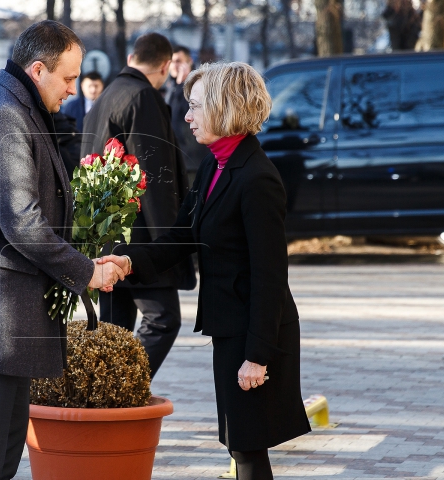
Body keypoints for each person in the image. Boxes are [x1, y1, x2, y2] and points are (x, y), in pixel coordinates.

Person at [0, 21, 127, 480]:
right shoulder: (3, 117)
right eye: (68, 78)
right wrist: (86, 272)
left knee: (2, 450)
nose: (73, 89)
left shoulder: (17, 107)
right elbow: (23, 223)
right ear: (38, 70)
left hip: (5, 317)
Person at [100, 62, 311, 479]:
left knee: (247, 447)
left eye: (195, 107)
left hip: (253, 333)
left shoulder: (257, 178)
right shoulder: (216, 165)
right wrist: (128, 261)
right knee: (240, 443)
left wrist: (257, 356)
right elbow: (182, 235)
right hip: (230, 326)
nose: (187, 115)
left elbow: (271, 275)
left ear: (224, 108)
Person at [81, 33, 196, 379]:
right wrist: (169, 251)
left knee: (114, 331)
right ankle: (122, 388)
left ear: (132, 57)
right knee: (163, 320)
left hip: (105, 235)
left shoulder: (104, 98)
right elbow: (156, 177)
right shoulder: (144, 97)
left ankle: (106, 405)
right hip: (141, 240)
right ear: (164, 66)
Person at [165, 45, 210, 177]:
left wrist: (181, 84)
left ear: (189, 61)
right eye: (171, 62)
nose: (174, 66)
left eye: (178, 61)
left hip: (192, 160)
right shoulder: (171, 86)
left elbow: (185, 110)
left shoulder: (196, 86)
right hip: (178, 158)